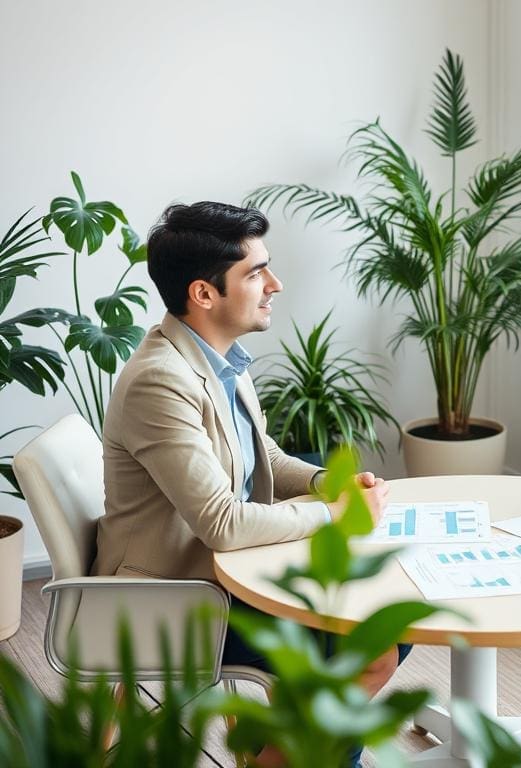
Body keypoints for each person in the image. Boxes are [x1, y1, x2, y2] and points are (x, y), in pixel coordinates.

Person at [92, 201, 408, 767]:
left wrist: (327, 482)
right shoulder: (160, 382)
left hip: (226, 575)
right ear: (204, 294)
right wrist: (335, 512)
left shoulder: (220, 360)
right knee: (369, 640)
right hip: (174, 597)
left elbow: (265, 457)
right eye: (256, 272)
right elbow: (223, 522)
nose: (275, 284)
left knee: (387, 622)